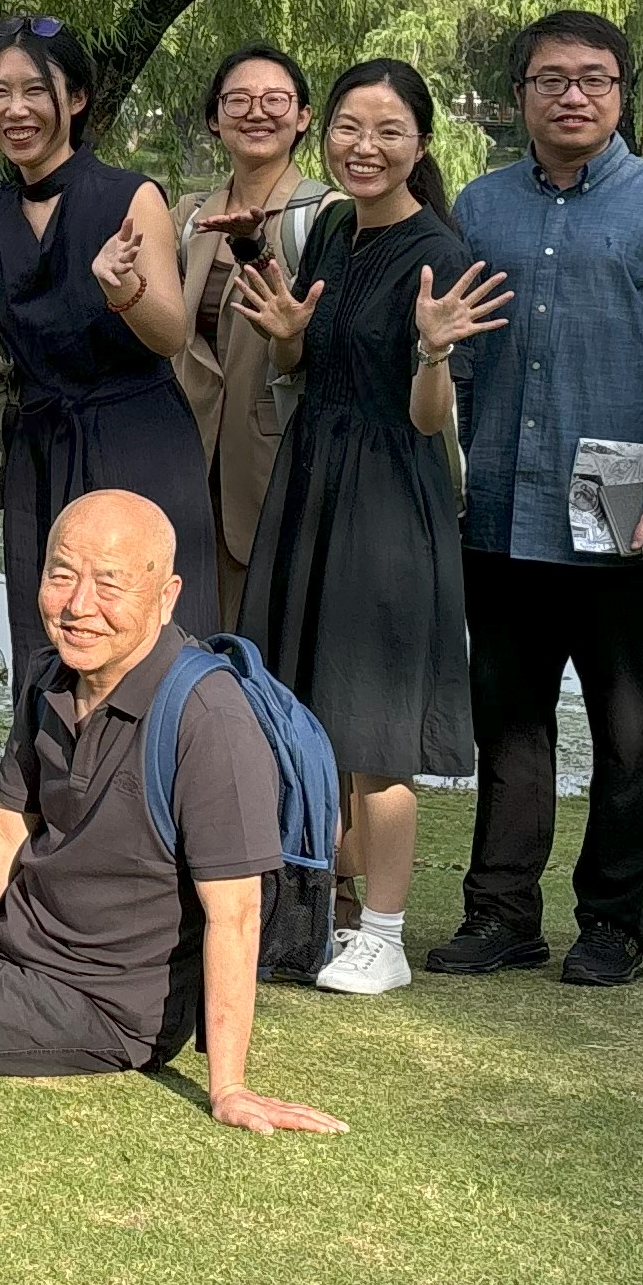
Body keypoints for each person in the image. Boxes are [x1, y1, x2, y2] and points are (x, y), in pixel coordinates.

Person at [0, 493, 342, 1129]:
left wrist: (229, 1086)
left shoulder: (208, 718)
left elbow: (236, 913)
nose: (79, 605)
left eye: (109, 583)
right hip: (20, 914)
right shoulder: (52, 674)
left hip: (98, 992)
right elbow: (8, 826)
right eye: (62, 575)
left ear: (166, 596)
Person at [429, 10, 643, 987]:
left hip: (624, 509)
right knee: (508, 721)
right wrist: (450, 477)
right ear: (521, 94)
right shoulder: (480, 207)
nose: (574, 96)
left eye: (595, 79)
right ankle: (500, 912)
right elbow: (459, 361)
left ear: (620, 93)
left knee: (629, 726)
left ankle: (613, 923)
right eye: (552, 79)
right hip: (500, 503)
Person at [228, 58, 505, 995]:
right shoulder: (334, 230)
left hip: (389, 498)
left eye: (389, 131)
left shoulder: (440, 253)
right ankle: (323, 915)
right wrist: (285, 334)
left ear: (420, 144)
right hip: (313, 478)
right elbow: (308, 362)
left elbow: (429, 421)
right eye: (350, 127)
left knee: (377, 729)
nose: (365, 147)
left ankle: (384, 936)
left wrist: (432, 351)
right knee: (312, 710)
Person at [0, 16, 208, 672]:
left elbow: (171, 334)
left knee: (145, 643)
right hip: (39, 449)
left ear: (76, 99)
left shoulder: (132, 197)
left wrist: (124, 290)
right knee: (49, 641)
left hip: (137, 440)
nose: (15, 109)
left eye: (35, 90)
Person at [173, 45, 331, 633]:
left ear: (303, 117)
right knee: (191, 635)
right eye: (237, 100)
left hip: (279, 461)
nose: (256, 112)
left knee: (269, 638)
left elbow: (329, 354)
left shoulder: (326, 216)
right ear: (215, 118)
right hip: (190, 459)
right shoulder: (189, 216)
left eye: (275, 100)